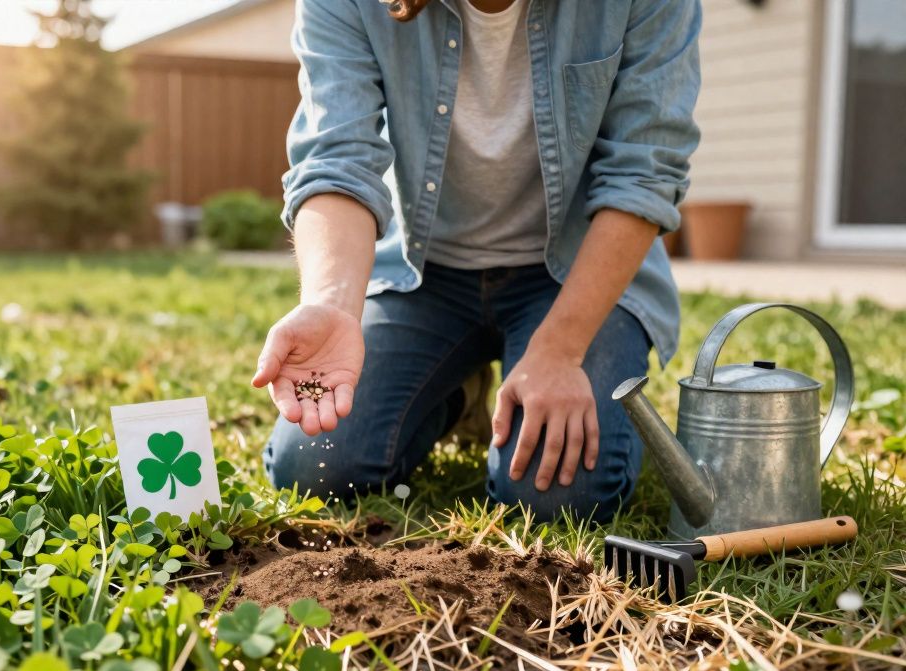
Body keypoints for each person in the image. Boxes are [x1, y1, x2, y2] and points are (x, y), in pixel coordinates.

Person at [252, 0, 701, 522]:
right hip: (424, 276)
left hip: (573, 275)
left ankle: (581, 386)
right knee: (313, 469)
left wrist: (560, 350)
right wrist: (332, 304)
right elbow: (335, 160)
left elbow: (643, 173)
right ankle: (455, 394)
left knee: (556, 496)